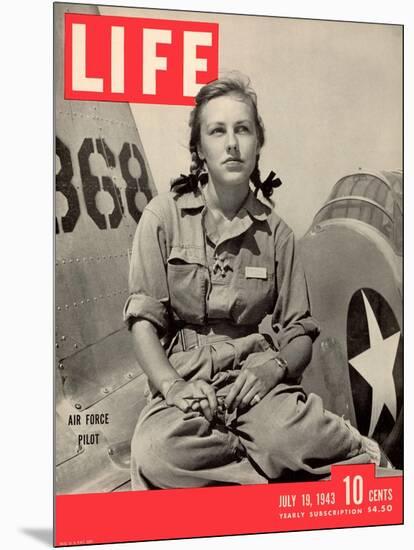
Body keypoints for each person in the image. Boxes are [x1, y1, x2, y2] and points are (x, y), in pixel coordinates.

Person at [123, 74, 384, 490]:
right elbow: (144, 323)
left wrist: (272, 370)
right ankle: (268, 472)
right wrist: (172, 387)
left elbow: (299, 332)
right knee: (156, 452)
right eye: (217, 130)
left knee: (291, 436)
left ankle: (336, 446)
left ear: (257, 143)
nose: (231, 143)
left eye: (242, 129)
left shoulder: (276, 234)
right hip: (185, 375)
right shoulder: (162, 218)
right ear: (199, 148)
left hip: (253, 376)